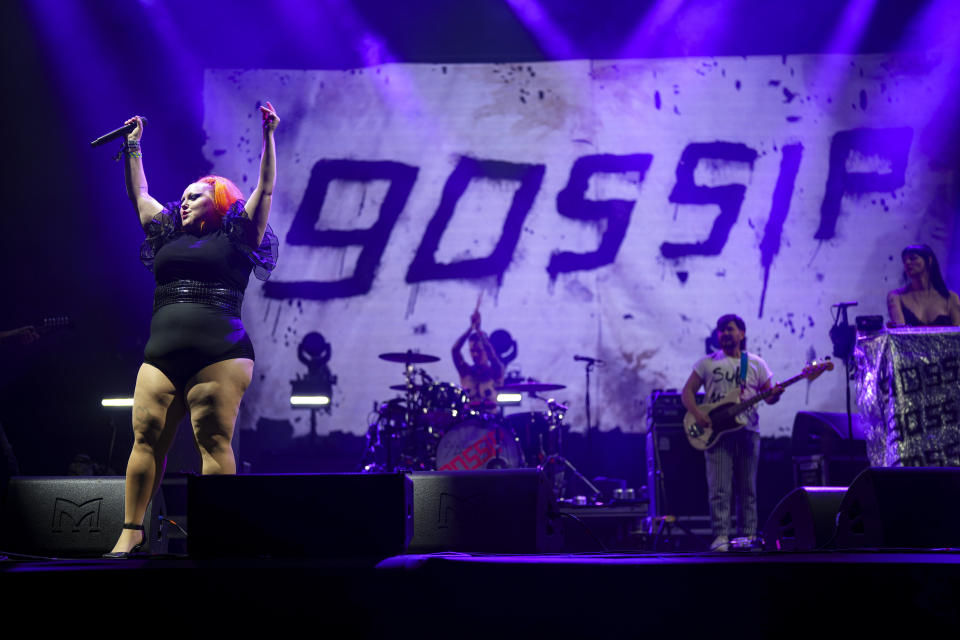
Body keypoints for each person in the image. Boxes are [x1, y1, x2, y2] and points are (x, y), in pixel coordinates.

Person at [105, 103, 279, 557]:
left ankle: (217, 533)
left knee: (214, 441)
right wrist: (133, 145)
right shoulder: (167, 235)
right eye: (181, 197)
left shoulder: (238, 236)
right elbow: (138, 192)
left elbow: (266, 189)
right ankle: (131, 531)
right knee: (145, 438)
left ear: (218, 202)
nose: (182, 201)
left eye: (194, 197)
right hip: (161, 352)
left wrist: (269, 137)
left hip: (219, 353)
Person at [681, 314, 782, 552]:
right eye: (721, 330)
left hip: (747, 432)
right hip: (716, 433)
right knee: (719, 488)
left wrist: (775, 394)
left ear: (741, 334)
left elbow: (770, 398)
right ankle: (721, 537)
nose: (724, 334)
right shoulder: (706, 363)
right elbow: (687, 392)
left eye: (729, 329)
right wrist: (697, 413)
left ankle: (747, 537)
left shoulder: (756, 363)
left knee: (748, 488)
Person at [887, 244, 960, 327]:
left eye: (913, 258)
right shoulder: (896, 297)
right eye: (904, 260)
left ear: (929, 260)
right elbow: (899, 334)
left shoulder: (951, 298)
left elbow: (957, 334)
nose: (907, 262)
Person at [451, 310, 504, 408]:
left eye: (479, 350)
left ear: (486, 351)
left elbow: (492, 356)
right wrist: (471, 328)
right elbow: (455, 350)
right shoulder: (465, 372)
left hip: (490, 421)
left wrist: (479, 330)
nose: (475, 354)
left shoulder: (496, 371)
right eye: (472, 351)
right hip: (468, 421)